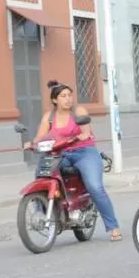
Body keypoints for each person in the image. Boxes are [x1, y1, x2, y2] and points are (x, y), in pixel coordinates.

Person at [26, 80, 122, 241]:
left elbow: (85, 132)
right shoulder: (49, 116)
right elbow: (40, 136)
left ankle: (113, 227)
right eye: (63, 96)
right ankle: (44, 210)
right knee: (42, 172)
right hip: (60, 153)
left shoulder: (79, 111)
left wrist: (80, 136)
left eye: (70, 95)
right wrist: (32, 143)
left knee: (95, 187)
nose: (68, 99)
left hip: (84, 152)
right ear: (55, 100)